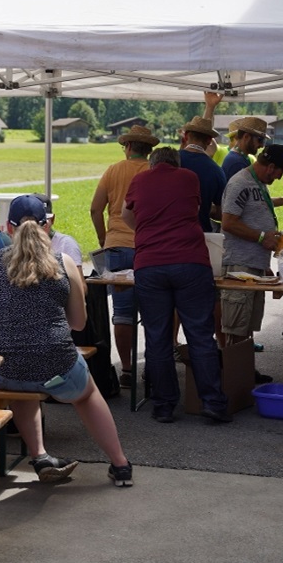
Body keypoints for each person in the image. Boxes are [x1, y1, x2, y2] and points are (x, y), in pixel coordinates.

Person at [0, 195, 133, 486]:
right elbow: (78, 323)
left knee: (20, 377)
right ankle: (120, 464)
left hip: (5, 372)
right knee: (87, 395)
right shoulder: (63, 262)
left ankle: (39, 455)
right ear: (47, 225)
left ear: (7, 228)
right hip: (57, 368)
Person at [122, 147, 231, 424]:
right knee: (200, 334)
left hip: (149, 263)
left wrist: (146, 230)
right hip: (190, 261)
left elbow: (126, 214)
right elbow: (195, 209)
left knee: (157, 336)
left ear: (153, 164)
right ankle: (213, 403)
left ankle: (164, 405)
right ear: (176, 163)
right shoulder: (189, 177)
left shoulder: (140, 180)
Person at [219, 145, 283, 380]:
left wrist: (263, 259)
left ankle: (244, 371)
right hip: (238, 265)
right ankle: (234, 377)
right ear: (271, 166)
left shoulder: (257, 183)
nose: (278, 177)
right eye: (278, 172)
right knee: (236, 324)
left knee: (248, 323)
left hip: (253, 265)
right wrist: (260, 237)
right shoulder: (240, 183)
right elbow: (228, 222)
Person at [90, 123, 158, 387]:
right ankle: (152, 366)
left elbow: (95, 209)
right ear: (149, 149)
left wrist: (102, 238)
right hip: (148, 245)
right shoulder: (153, 170)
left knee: (122, 312)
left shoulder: (114, 170)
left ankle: (127, 370)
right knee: (154, 309)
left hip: (117, 245)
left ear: (128, 147)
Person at [178, 112, 226, 233]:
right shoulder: (216, 170)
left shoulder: (170, 160)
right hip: (199, 234)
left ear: (186, 136)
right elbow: (223, 211)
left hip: (168, 232)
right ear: (209, 140)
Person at [32, 193, 82, 268]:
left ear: (52, 219)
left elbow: (79, 279)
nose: (39, 225)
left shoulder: (66, 244)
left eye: (44, 221)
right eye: (34, 221)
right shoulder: (17, 246)